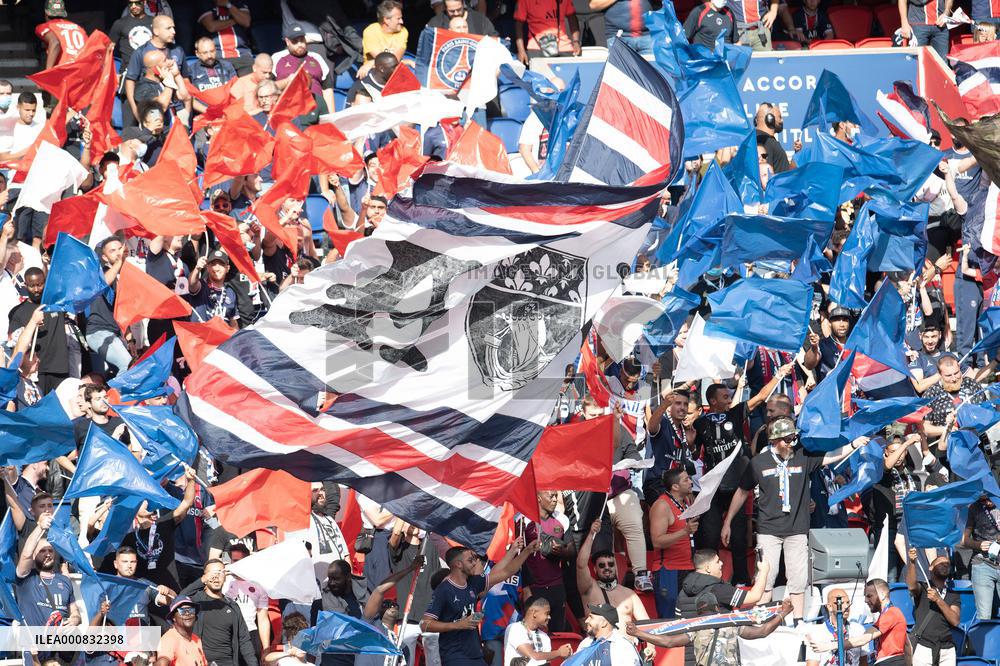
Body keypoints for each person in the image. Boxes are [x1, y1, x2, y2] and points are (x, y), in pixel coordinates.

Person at [722, 416, 867, 620]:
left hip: (797, 530)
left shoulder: (802, 456)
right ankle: (763, 620)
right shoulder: (758, 463)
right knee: (765, 578)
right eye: (787, 439)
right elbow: (741, 491)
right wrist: (728, 522)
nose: (792, 443)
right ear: (774, 440)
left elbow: (831, 456)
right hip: (768, 531)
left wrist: (853, 444)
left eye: (793, 438)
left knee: (798, 580)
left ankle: (798, 621)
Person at [421, 537, 539, 666]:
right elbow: (425, 624)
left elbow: (506, 571)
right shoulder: (444, 590)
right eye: (470, 560)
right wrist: (457, 625)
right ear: (458, 564)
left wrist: (526, 551)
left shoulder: (473, 583)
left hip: (476, 654)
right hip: (455, 655)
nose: (475, 563)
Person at [627, 597, 793, 665]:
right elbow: (762, 631)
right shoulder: (731, 623)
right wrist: (783, 613)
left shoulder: (695, 629)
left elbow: (668, 642)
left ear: (699, 612)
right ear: (716, 608)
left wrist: (638, 633)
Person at [178, 559, 259, 666]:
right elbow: (180, 598)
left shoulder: (232, 606)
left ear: (225, 577)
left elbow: (244, 640)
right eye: (212, 573)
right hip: (202, 661)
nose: (216, 577)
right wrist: (202, 580)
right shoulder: (196, 601)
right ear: (205, 577)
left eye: (220, 572)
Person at [811, 579, 908, 666]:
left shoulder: (892, 613)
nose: (866, 600)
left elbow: (863, 639)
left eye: (869, 596)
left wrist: (829, 646)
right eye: (865, 596)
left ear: (882, 595)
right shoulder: (887, 615)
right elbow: (908, 645)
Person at [8, 267, 73, 394]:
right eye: (32, 286)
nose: (36, 289)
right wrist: (32, 326)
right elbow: (15, 345)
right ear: (25, 285)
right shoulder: (17, 312)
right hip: (35, 371)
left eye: (39, 284)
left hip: (59, 368)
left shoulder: (57, 304)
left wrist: (47, 263)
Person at [575, 519, 650, 630]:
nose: (607, 568)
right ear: (595, 570)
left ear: (615, 567)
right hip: (599, 644)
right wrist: (591, 534)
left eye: (610, 564)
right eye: (602, 565)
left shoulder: (629, 594)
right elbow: (581, 565)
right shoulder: (589, 589)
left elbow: (647, 625)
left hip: (626, 645)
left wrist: (650, 647)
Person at [15, 514, 82, 626]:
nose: (47, 554)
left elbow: (74, 611)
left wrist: (75, 619)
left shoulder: (65, 581)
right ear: (34, 555)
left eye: (50, 551)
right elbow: (26, 554)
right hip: (32, 641)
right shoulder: (26, 578)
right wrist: (40, 527)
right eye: (42, 551)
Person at [649, 468, 697, 618]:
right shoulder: (662, 505)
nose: (690, 482)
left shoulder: (684, 503)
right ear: (675, 487)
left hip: (687, 568)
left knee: (687, 619)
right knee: (670, 620)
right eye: (686, 480)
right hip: (669, 570)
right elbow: (657, 541)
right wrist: (685, 531)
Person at [523, 491, 574, 632]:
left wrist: (562, 552)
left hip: (556, 585)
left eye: (555, 496)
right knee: (532, 631)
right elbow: (518, 555)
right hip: (535, 586)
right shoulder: (524, 519)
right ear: (538, 498)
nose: (555, 500)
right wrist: (526, 587)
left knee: (557, 631)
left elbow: (572, 550)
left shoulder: (562, 519)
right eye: (551, 496)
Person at [124, 14, 186, 127]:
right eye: (169, 28)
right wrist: (135, 109)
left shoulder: (178, 50)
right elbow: (130, 80)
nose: (173, 31)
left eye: (174, 28)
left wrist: (186, 112)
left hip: (177, 106)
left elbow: (185, 79)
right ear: (156, 31)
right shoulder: (141, 52)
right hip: (154, 109)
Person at [906, 547, 960, 665]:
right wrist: (912, 563)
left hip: (947, 648)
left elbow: (955, 621)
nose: (945, 565)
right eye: (941, 563)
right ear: (930, 567)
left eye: (947, 564)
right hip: (924, 646)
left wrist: (938, 600)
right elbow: (911, 586)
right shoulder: (923, 587)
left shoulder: (953, 595)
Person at [676, 549, 769, 617]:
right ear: (708, 568)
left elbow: (679, 618)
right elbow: (755, 596)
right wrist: (764, 571)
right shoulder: (718, 589)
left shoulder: (683, 591)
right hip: (716, 641)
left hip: (690, 642)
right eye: (717, 562)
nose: (721, 563)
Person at [272, 23, 335, 116]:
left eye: (302, 40)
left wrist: (331, 117)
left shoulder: (317, 57)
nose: (300, 44)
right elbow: (268, 87)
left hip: (316, 109)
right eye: (295, 41)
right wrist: (287, 81)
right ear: (287, 41)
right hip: (288, 110)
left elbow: (327, 89)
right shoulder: (277, 58)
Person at [923, 354, 984, 438]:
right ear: (939, 374)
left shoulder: (971, 384)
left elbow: (987, 410)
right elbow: (925, 428)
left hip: (979, 437)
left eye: (956, 373)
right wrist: (946, 429)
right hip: (951, 443)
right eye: (948, 375)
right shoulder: (931, 394)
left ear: (959, 368)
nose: (954, 378)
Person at [803, 589, 869, 666]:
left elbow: (863, 662)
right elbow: (812, 664)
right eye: (840, 603)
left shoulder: (858, 629)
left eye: (848, 602)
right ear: (829, 607)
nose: (846, 606)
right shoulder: (817, 633)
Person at [502, 596, 572, 665]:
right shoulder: (515, 628)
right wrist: (558, 653)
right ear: (534, 613)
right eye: (547, 613)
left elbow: (545, 663)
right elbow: (533, 657)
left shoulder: (545, 637)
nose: (549, 617)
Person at [964, 495, 1000, 619]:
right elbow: (965, 541)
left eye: (989, 499)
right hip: (982, 564)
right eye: (982, 500)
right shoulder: (975, 508)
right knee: (984, 616)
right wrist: (978, 545)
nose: (987, 503)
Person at [514, 0, 582, 65]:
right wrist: (521, 50)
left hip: (563, 46)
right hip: (537, 47)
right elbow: (519, 23)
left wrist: (576, 42)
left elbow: (572, 17)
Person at [573, 603, 641, 666]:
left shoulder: (622, 646)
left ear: (603, 623)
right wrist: (567, 657)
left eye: (591, 617)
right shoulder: (586, 643)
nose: (586, 621)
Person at [186, 250, 240, 328]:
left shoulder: (230, 292)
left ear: (227, 268)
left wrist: (238, 338)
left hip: (222, 337)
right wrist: (197, 269)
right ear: (207, 267)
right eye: (213, 264)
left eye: (221, 265)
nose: (217, 269)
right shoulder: (201, 285)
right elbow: (191, 283)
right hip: (201, 337)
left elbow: (233, 323)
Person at [198, 0, 253, 76]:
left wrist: (228, 5)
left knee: (249, 84)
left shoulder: (237, 2)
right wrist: (236, 20)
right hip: (218, 56)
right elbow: (211, 26)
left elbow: (246, 22)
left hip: (242, 54)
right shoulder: (206, 3)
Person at [155, 596, 209, 666]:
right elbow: (161, 663)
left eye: (191, 610)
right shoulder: (170, 639)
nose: (187, 613)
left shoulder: (196, 639)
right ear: (173, 617)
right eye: (182, 611)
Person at [360, 1, 408, 78]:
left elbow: (395, 60)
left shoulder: (403, 31)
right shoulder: (371, 31)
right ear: (386, 20)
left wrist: (372, 62)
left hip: (394, 68)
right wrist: (407, 61)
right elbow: (384, 61)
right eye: (398, 18)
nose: (402, 21)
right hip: (375, 71)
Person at [35, 0, 87, 69]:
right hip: (82, 71)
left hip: (64, 71)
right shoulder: (79, 28)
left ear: (46, 13)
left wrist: (48, 72)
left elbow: (55, 43)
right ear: (63, 13)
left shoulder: (46, 26)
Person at [109, 0, 154, 66]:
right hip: (128, 69)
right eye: (130, 3)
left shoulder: (154, 21)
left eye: (137, 3)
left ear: (144, 2)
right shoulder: (120, 23)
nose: (133, 6)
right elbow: (109, 48)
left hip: (151, 69)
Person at [426, 0, 499, 36]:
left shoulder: (480, 20)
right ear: (445, 8)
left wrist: (503, 43)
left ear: (463, 4)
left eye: (459, 9)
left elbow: (493, 39)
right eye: (451, 11)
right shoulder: (436, 23)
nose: (456, 13)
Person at [754, 102, 790, 174]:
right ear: (770, 118)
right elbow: (766, 175)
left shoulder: (754, 140)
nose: (782, 121)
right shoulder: (767, 142)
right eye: (780, 117)